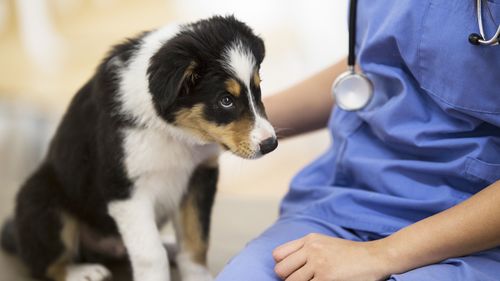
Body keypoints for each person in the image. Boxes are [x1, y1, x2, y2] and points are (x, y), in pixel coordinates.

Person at [216, 0, 500, 280]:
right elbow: (376, 62)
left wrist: (381, 255)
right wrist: (229, 124)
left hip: (472, 231)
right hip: (348, 201)